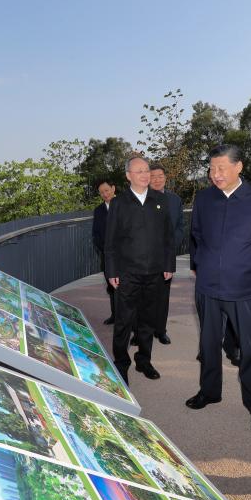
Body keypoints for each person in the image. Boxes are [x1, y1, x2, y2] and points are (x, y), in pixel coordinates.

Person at [186, 144, 251, 433]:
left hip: (245, 289)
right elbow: (196, 235)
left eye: (221, 168)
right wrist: (200, 263)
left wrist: (247, 260)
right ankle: (210, 392)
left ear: (239, 167)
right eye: (212, 169)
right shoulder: (203, 199)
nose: (215, 174)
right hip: (208, 288)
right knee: (208, 345)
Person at [104, 156, 175, 385]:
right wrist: (111, 271)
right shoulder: (119, 203)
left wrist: (169, 265)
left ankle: (144, 360)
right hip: (127, 274)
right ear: (128, 176)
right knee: (124, 322)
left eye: (147, 170)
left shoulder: (160, 200)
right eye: (139, 171)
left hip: (154, 272)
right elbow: (110, 241)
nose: (145, 174)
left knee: (147, 321)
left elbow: (168, 237)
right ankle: (121, 364)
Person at [149, 163, 184, 345]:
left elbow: (180, 227)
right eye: (153, 176)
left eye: (160, 176)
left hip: (166, 256)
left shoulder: (175, 200)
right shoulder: (139, 199)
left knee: (163, 295)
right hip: (143, 257)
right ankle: (141, 332)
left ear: (165, 177)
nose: (157, 180)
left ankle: (160, 330)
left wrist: (171, 243)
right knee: (143, 297)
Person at [92, 179, 117, 325]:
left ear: (113, 188)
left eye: (107, 190)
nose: (105, 194)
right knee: (111, 287)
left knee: (127, 289)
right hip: (107, 256)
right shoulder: (98, 210)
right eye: (102, 192)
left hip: (125, 257)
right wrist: (105, 250)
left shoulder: (125, 205)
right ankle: (114, 315)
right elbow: (96, 234)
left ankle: (130, 320)